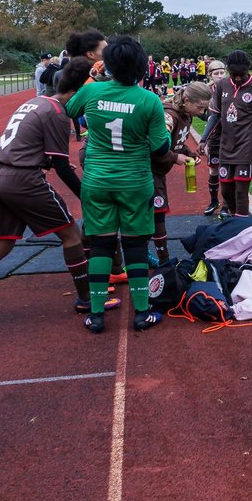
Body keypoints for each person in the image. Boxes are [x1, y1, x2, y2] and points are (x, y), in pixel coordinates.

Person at [0, 58, 106, 324]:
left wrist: (48, 160)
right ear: (76, 93)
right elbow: (62, 167)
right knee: (72, 235)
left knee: (0, 247)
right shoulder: (58, 113)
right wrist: (87, 195)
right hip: (24, 180)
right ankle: (86, 300)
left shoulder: (34, 102)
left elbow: (28, 145)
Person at [65, 36, 170, 333]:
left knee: (101, 245)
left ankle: (96, 314)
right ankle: (141, 312)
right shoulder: (149, 100)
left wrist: (93, 79)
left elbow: (69, 110)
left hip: (97, 180)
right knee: (136, 246)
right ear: (141, 68)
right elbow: (161, 148)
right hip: (135, 181)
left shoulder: (93, 91)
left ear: (108, 64)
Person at [149, 82, 209, 261]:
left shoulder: (186, 115)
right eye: (199, 107)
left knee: (153, 213)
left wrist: (189, 153)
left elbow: (177, 143)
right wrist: (175, 158)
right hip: (147, 170)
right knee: (157, 213)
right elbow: (155, 146)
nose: (201, 112)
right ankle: (164, 260)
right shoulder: (169, 116)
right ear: (186, 100)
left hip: (157, 170)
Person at [207, 50, 252, 218]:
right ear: (229, 71)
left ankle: (241, 229)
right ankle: (237, 221)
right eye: (234, 74)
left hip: (247, 148)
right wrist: (203, 139)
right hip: (226, 147)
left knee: (241, 192)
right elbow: (215, 115)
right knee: (226, 190)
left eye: (242, 74)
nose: (238, 78)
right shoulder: (222, 86)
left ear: (247, 69)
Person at [197, 59, 227, 216]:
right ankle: (214, 201)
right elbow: (202, 113)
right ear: (210, 75)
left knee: (227, 170)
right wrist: (208, 116)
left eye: (222, 72)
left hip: (230, 136)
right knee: (214, 169)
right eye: (216, 73)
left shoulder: (230, 89)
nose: (220, 76)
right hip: (214, 136)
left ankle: (226, 205)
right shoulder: (207, 93)